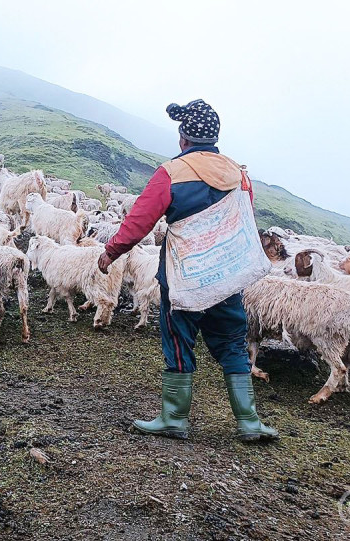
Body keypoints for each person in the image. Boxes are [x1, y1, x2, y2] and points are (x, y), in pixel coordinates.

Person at [96, 99, 278, 442]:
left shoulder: (171, 173)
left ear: (183, 138)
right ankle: (249, 422)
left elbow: (140, 220)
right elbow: (242, 221)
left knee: (179, 339)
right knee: (232, 344)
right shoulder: (239, 176)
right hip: (226, 279)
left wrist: (111, 252)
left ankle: (174, 418)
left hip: (185, 275)